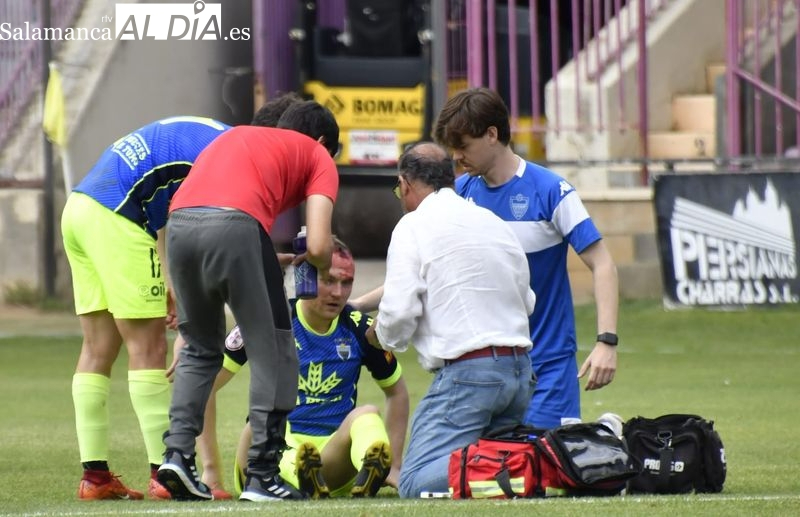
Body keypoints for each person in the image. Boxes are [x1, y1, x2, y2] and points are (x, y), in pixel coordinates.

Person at [156, 100, 340, 502]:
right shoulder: (316, 154)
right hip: (239, 228)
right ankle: (263, 473)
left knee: (200, 349)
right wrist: (321, 266)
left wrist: (262, 257)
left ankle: (177, 455)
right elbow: (322, 243)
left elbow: (214, 213)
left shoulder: (237, 135)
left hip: (182, 227)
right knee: (274, 351)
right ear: (324, 141)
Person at [61, 115, 231, 501]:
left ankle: (96, 478)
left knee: (97, 349)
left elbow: (168, 206)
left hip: (81, 207)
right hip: (118, 216)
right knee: (149, 349)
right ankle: (165, 475)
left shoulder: (210, 132)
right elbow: (200, 226)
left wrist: (164, 281)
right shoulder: (232, 153)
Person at [433, 87, 619, 429]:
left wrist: (606, 341)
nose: (456, 157)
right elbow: (421, 267)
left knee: (545, 474)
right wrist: (359, 304)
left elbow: (603, 264)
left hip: (547, 366)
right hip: (486, 370)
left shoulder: (550, 190)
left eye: (463, 146)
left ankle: (604, 437)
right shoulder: (458, 196)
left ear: (491, 135)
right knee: (486, 474)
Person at [365, 142, 536, 498]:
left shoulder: (412, 226)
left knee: (414, 482)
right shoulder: (493, 222)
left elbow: (398, 313)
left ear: (405, 184)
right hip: (520, 371)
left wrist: (378, 337)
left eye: (399, 190)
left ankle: (535, 466)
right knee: (487, 458)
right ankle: (529, 464)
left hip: (470, 375)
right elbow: (527, 300)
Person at [190, 237, 409, 499]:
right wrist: (211, 470)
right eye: (328, 280)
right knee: (260, 423)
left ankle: (368, 469)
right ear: (305, 277)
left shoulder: (359, 328)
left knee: (367, 414)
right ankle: (299, 476)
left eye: (346, 282)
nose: (338, 293)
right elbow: (204, 387)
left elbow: (397, 392)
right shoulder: (270, 322)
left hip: (332, 458)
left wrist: (394, 464)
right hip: (266, 456)